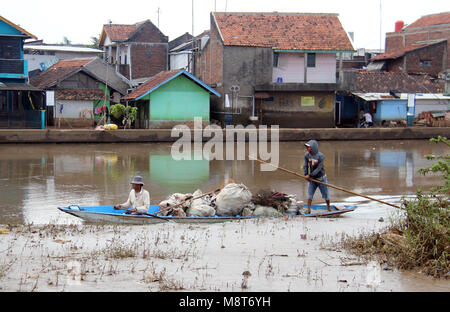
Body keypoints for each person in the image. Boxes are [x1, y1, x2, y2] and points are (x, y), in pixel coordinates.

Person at [303, 140, 331, 214]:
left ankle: (328, 207)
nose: (307, 148)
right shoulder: (307, 155)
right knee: (309, 194)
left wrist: (310, 175)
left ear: (313, 148)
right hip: (312, 179)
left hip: (321, 178)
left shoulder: (321, 156)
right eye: (306, 147)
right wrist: (306, 174)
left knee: (326, 194)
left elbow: (319, 168)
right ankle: (308, 209)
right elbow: (305, 166)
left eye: (308, 147)